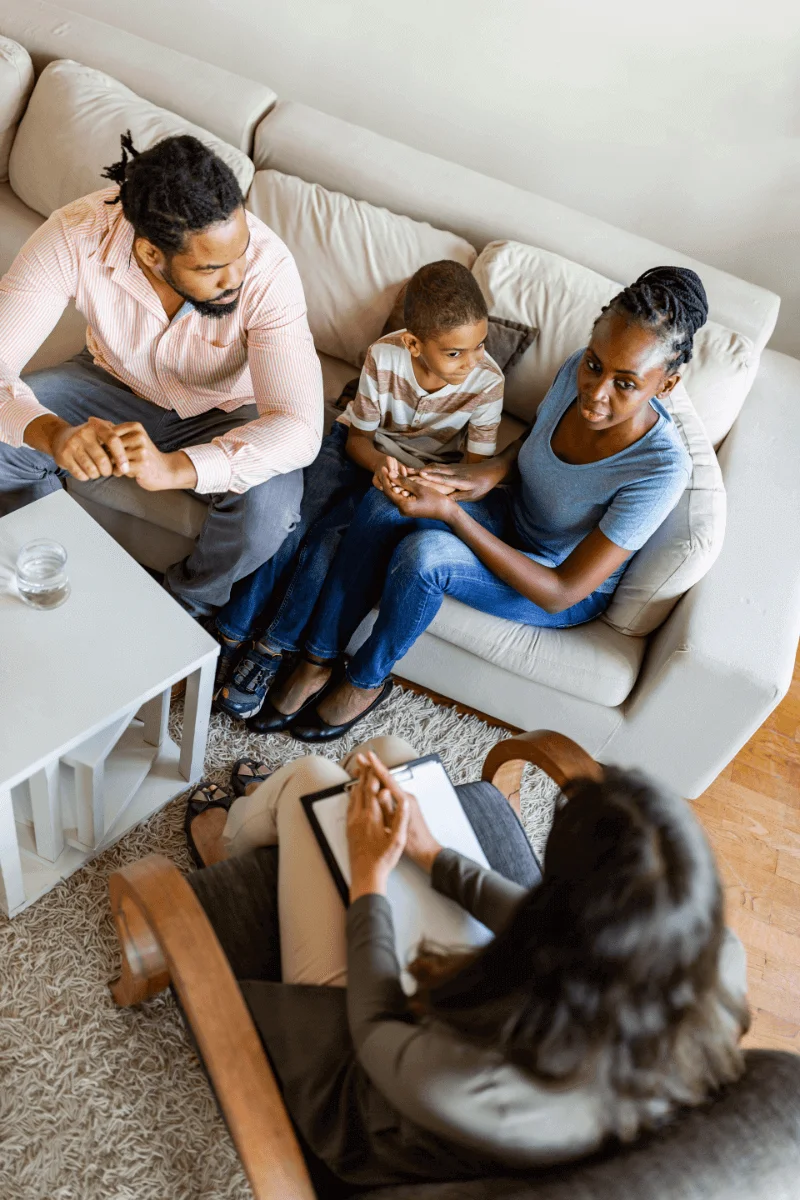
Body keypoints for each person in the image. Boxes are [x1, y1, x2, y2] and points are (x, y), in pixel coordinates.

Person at [184, 744, 748, 1188]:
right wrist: (433, 855)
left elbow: (377, 1028)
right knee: (389, 754)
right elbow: (557, 930)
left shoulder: (473, 1086)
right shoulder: (716, 959)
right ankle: (293, 837)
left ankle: (234, 840)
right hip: (508, 1010)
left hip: (380, 1070)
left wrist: (368, 881)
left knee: (310, 779)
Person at [276, 266, 701, 742]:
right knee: (382, 506)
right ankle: (316, 658)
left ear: (665, 386)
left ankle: (364, 682)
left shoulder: (660, 470)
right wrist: (489, 471)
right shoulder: (577, 367)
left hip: (552, 578)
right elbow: (532, 444)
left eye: (625, 384)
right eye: (595, 365)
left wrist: (452, 514)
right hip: (509, 516)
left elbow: (560, 590)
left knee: (424, 557)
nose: (596, 392)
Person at [0, 132, 323, 617]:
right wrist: (55, 435)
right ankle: (61, 562)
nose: (234, 277)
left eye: (239, 253)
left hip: (227, 410)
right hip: (108, 384)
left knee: (269, 514)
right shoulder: (74, 234)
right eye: (212, 268)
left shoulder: (268, 269)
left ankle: (186, 610)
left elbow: (299, 428)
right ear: (152, 254)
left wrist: (175, 467)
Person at [212, 259, 504, 723]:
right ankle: (230, 632)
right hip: (358, 450)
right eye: (455, 354)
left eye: (479, 347)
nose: (471, 363)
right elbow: (357, 440)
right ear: (413, 343)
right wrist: (380, 466)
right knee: (293, 524)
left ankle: (270, 650)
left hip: (422, 473)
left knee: (328, 542)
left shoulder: (487, 382)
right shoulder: (385, 355)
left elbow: (470, 471)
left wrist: (417, 479)